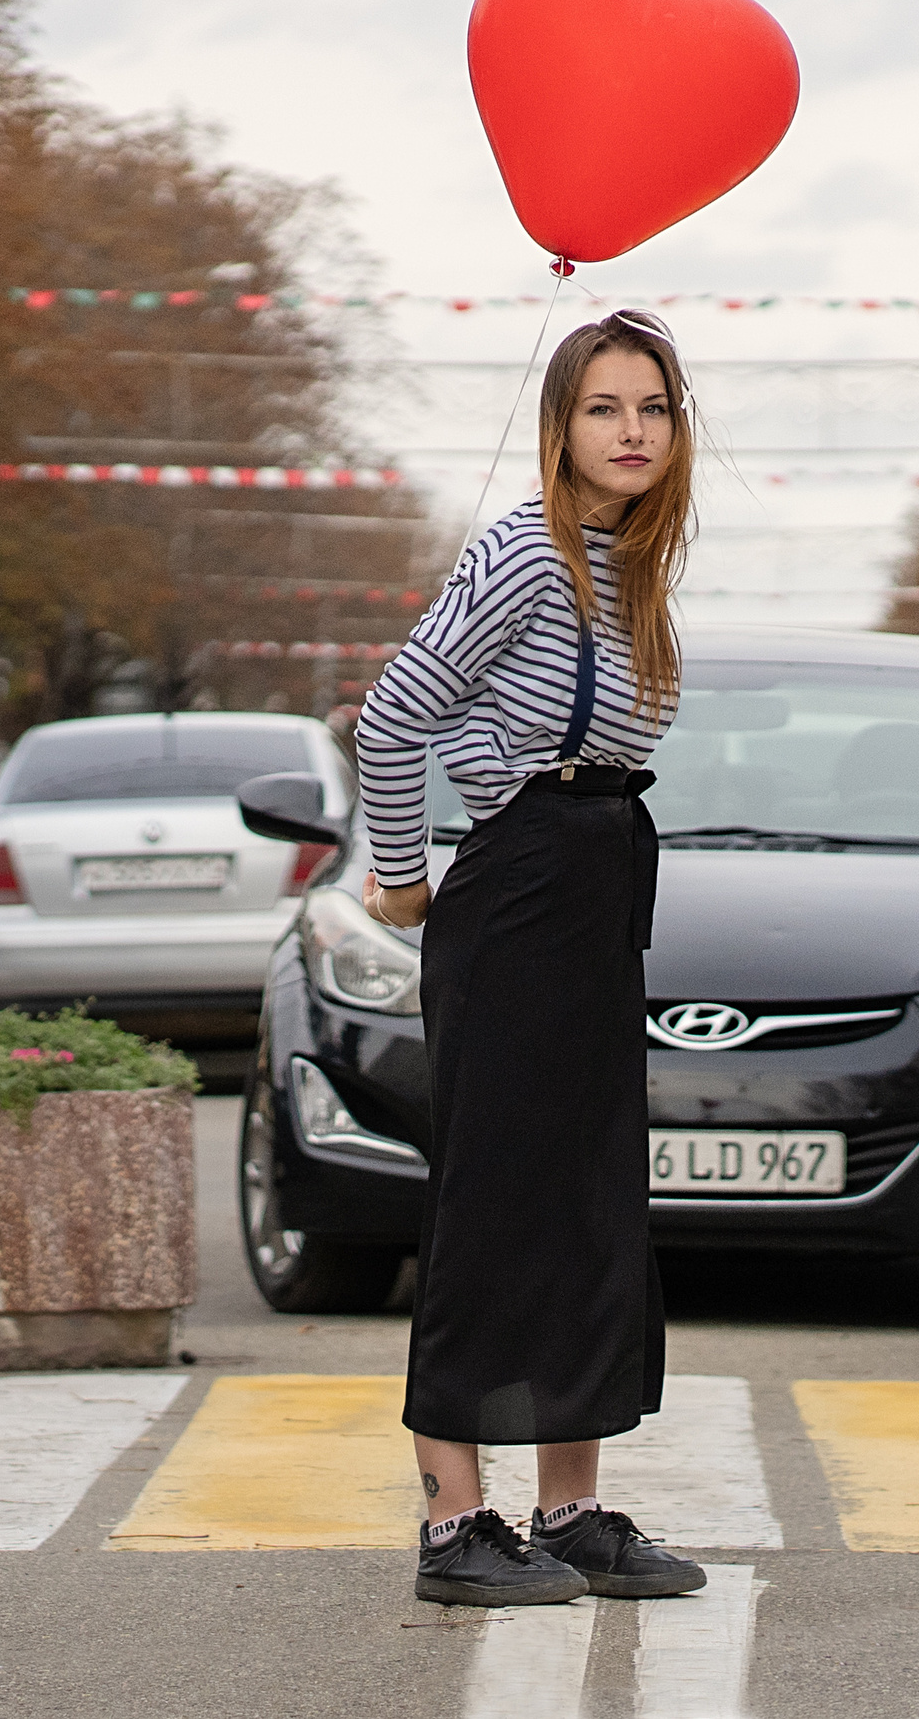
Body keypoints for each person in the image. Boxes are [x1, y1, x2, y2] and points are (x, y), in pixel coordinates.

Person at [354, 310, 708, 1610]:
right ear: (560, 426)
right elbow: (394, 715)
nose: (631, 430)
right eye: (605, 407)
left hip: (601, 871)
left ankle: (570, 1504)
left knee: (591, 1199)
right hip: (518, 890)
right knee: (494, 1202)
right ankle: (457, 1517)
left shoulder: (632, 562)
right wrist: (404, 875)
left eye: (653, 408)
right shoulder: (524, 552)